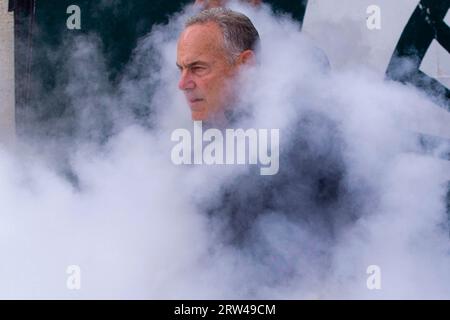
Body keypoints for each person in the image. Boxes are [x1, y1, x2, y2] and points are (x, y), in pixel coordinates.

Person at [176, 7, 259, 124]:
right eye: (181, 69)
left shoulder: (283, 132)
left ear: (245, 64)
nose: (182, 85)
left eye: (198, 68)